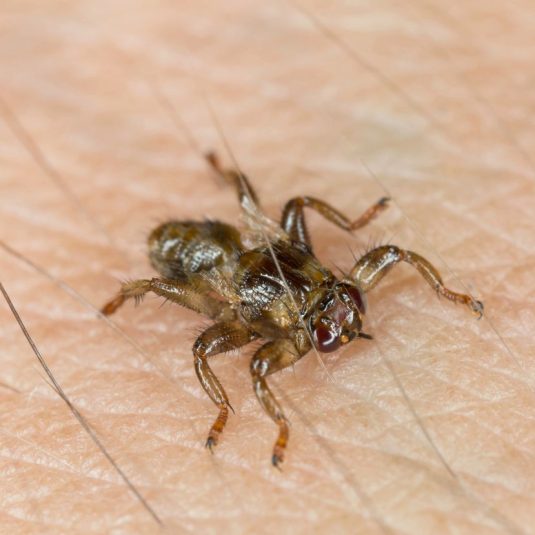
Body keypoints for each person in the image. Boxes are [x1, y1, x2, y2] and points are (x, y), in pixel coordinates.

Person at [0, 1, 531, 533]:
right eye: (335, 320)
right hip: (202, 260)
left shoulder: (321, 292)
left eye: (343, 305)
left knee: (371, 243)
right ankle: (223, 409)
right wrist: (268, 418)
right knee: (197, 334)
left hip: (231, 249)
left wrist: (443, 288)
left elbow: (394, 252)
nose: (345, 321)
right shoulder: (262, 328)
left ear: (340, 284)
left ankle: (432, 291)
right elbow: (249, 364)